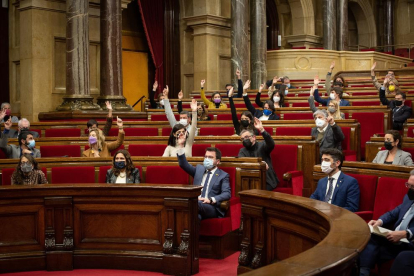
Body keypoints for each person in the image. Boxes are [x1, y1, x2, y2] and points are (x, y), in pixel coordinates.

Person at [359, 170, 414, 276]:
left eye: (413, 187)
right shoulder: (409, 197)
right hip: (393, 236)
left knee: (376, 251)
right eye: (408, 185)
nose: (409, 189)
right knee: (369, 233)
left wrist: (406, 233)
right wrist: (380, 221)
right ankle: (363, 272)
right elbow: (394, 213)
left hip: (409, 241)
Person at [177, 147, 231, 221]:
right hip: (196, 204)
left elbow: (227, 193)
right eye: (206, 157)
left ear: (217, 161)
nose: (207, 159)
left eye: (210, 157)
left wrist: (211, 199)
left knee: (193, 204)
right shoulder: (199, 169)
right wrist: (181, 145)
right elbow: (183, 164)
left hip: (211, 207)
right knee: (196, 216)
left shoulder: (223, 175)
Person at [238, 118, 279, 191]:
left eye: (246, 137)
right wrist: (260, 164)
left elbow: (271, 144)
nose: (245, 140)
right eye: (242, 139)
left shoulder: (262, 145)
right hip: (250, 180)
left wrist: (262, 130)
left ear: (254, 137)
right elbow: (242, 164)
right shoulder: (242, 151)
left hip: (267, 179)